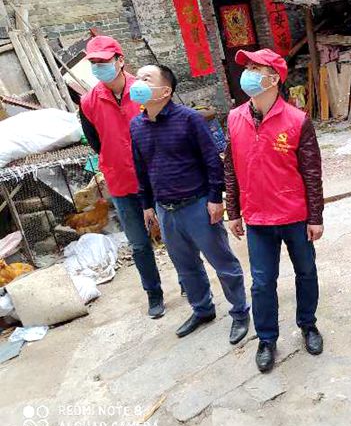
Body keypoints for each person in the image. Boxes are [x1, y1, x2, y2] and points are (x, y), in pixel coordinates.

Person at [129, 64, 250, 344]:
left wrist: (215, 198)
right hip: (165, 209)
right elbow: (141, 168)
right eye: (137, 78)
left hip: (198, 205)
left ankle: (240, 311)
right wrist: (147, 204)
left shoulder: (189, 119)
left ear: (165, 91)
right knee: (185, 266)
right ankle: (202, 309)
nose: (138, 83)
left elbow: (212, 161)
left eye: (146, 78)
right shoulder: (136, 125)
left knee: (223, 262)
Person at [224, 48, 324, 373]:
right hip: (257, 217)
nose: (248, 74)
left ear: (274, 79)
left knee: (306, 272)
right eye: (248, 68)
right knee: (262, 283)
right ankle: (267, 339)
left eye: (256, 68)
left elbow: (312, 172)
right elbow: (231, 167)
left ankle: (308, 324)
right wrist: (233, 210)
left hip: (295, 216)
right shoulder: (234, 118)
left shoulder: (297, 120)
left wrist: (316, 217)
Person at [79, 36, 164, 319]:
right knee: (139, 244)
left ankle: (190, 284)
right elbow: (96, 143)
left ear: (120, 60)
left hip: (157, 176)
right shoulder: (88, 102)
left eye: (104, 60)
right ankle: (153, 294)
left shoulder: (143, 90)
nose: (98, 66)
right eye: (94, 62)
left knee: (175, 236)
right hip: (121, 182)